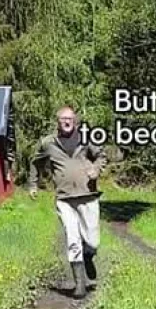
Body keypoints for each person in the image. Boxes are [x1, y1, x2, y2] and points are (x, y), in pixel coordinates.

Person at [28, 106, 107, 298]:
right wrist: (33, 185)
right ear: (57, 121)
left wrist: (96, 170)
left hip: (87, 195)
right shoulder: (48, 143)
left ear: (75, 120)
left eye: (69, 118)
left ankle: (88, 255)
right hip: (64, 198)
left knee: (93, 240)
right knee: (73, 239)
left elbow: (101, 156)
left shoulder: (86, 138)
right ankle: (79, 285)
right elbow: (35, 162)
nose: (66, 122)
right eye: (63, 119)